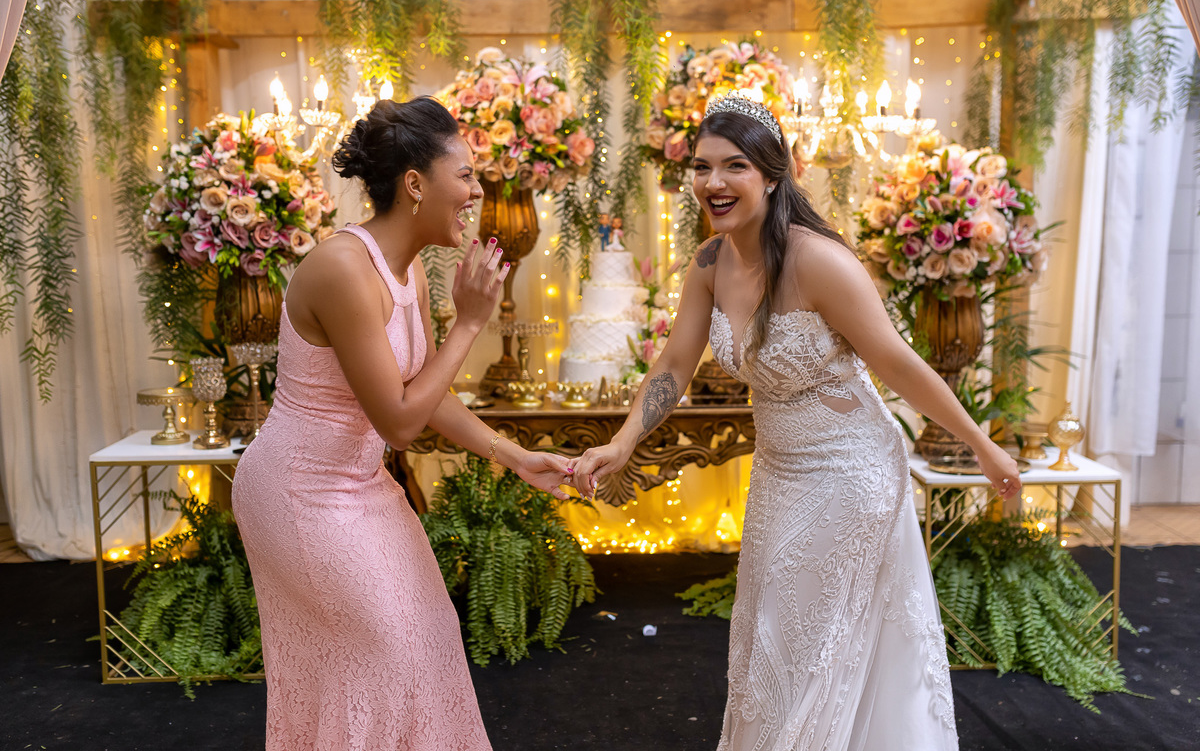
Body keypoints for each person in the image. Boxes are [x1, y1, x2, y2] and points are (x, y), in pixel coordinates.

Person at [571, 93, 1021, 750]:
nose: (714, 182)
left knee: (808, 649)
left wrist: (981, 445)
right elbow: (674, 363)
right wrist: (622, 441)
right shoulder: (708, 263)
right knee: (770, 643)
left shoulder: (819, 262)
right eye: (702, 166)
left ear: (773, 175)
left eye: (735, 166)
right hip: (779, 475)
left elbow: (898, 363)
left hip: (851, 471)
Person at [232, 96, 588, 751]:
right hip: (298, 493)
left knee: (429, 634)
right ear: (416, 184)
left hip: (361, 486)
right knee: (383, 654)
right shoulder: (343, 268)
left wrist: (513, 456)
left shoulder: (409, 269)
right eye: (467, 175)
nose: (477, 192)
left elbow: (422, 391)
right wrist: (471, 324)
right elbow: (399, 423)